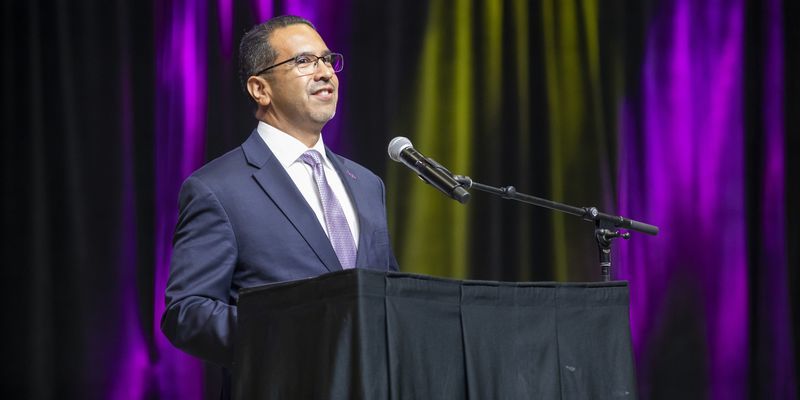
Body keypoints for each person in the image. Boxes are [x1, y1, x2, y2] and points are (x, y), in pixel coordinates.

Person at [160, 14, 399, 391]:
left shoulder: (367, 184)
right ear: (260, 89)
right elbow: (187, 312)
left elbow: (389, 296)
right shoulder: (217, 188)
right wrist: (290, 337)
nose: (325, 73)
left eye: (327, 59)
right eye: (304, 61)